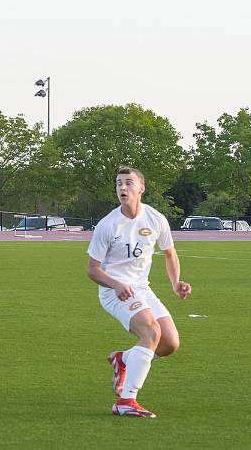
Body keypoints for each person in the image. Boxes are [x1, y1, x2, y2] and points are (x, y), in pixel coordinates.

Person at [86, 166, 192, 418]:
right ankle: (126, 401)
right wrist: (116, 284)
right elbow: (92, 270)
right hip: (114, 292)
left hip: (141, 289)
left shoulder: (156, 219)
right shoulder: (108, 224)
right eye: (119, 183)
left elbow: (170, 253)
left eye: (128, 183)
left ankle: (123, 360)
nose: (123, 188)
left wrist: (176, 283)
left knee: (169, 343)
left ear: (141, 188)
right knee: (151, 331)